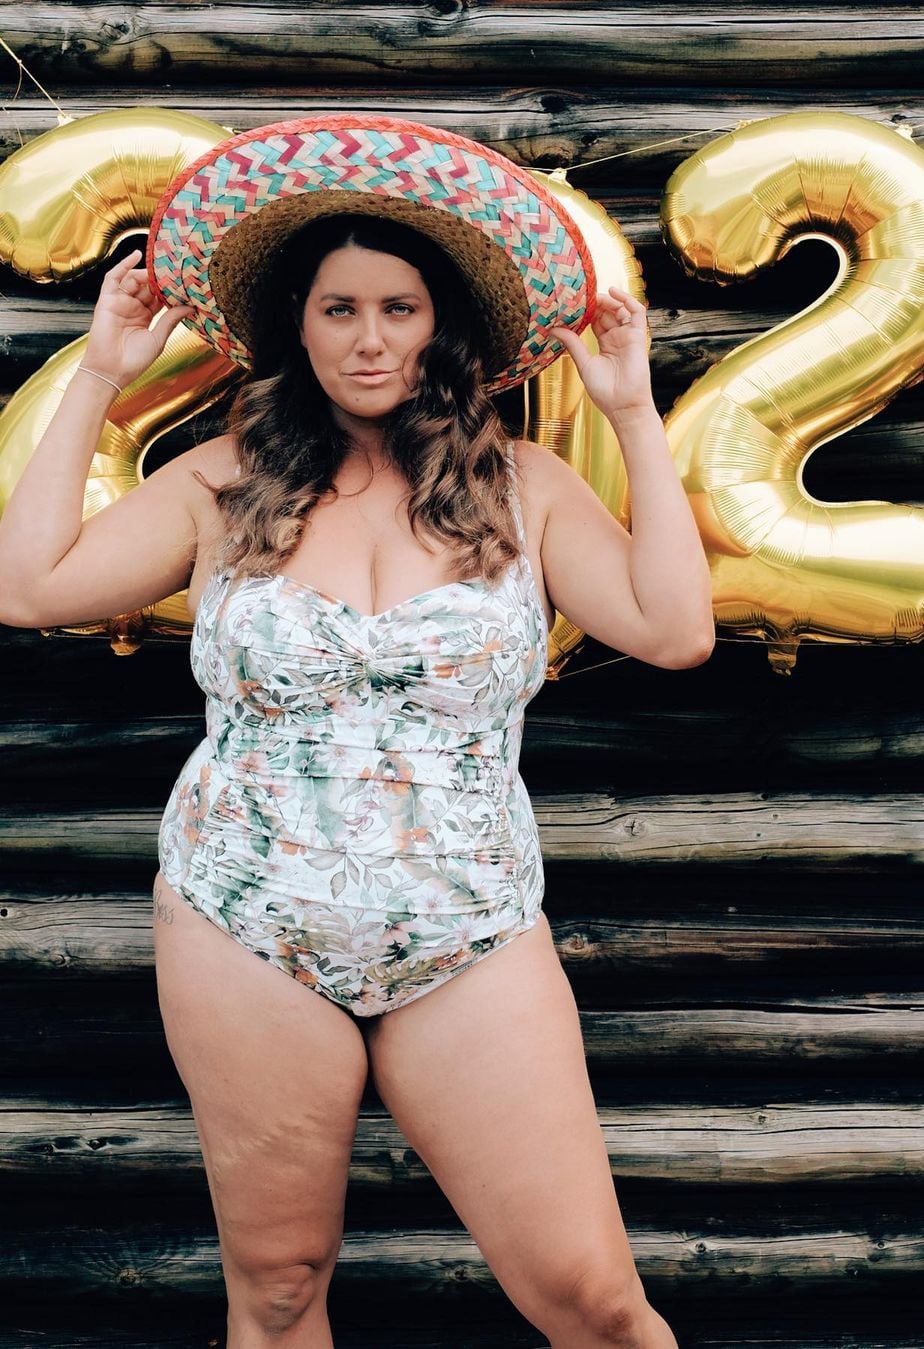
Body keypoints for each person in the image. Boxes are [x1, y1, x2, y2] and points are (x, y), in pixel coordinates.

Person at [0, 117, 714, 1347]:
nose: (370, 338)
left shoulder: (527, 487)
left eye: (398, 308)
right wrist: (101, 374)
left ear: (443, 327)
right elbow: (28, 585)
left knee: (596, 1302)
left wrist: (634, 412)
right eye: (340, 309)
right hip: (245, 919)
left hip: (467, 928)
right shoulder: (222, 482)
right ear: (301, 324)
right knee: (279, 1289)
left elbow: (675, 629)